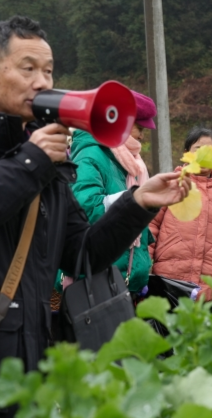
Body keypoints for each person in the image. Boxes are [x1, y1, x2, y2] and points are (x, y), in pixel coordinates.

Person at [0, 16, 191, 386]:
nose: (42, 83)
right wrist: (29, 163)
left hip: (24, 356)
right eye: (27, 68)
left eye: (48, 71)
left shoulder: (42, 163)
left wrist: (139, 202)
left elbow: (83, 253)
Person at [68, 90, 157, 293]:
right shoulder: (90, 155)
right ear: (119, 121)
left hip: (121, 282)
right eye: (139, 127)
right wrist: (135, 201)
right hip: (98, 284)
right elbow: (86, 209)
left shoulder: (128, 161)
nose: (142, 136)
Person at [149, 127, 212, 299]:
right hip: (168, 279)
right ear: (187, 153)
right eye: (198, 149)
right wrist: (147, 263)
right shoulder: (171, 184)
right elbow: (151, 226)